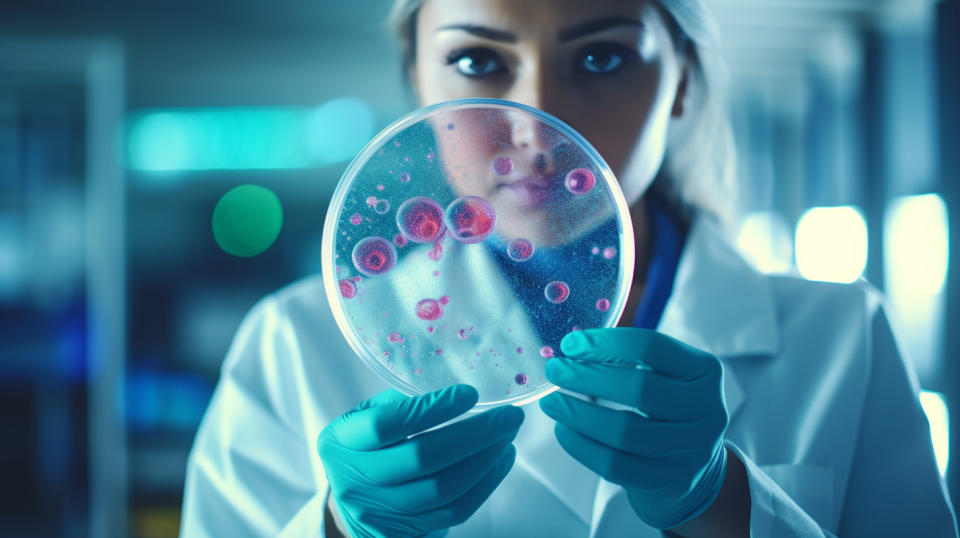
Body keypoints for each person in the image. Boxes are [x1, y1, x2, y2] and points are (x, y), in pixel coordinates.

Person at [179, 0, 959, 536]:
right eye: (479, 62)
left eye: (601, 56)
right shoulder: (297, 342)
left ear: (682, 80)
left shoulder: (841, 338)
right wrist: (335, 529)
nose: (538, 127)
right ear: (418, 81)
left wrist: (727, 507)